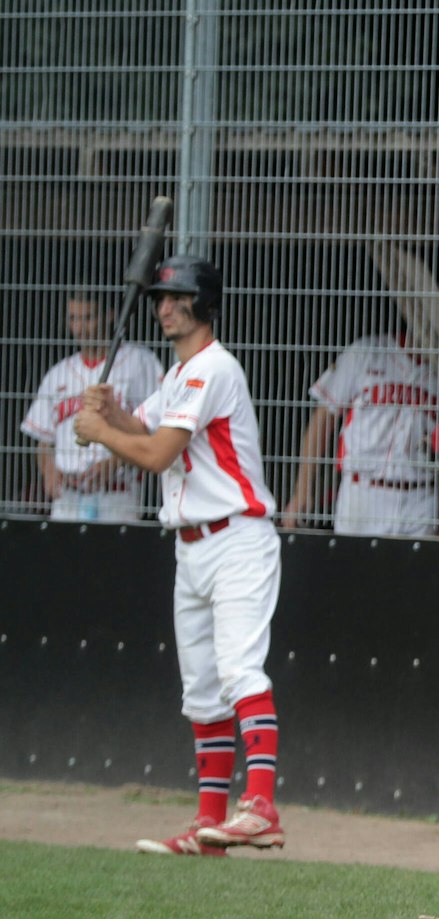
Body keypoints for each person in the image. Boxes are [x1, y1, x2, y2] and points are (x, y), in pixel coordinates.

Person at [71, 257, 287, 856]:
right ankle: (209, 825)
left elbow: (157, 453)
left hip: (237, 538)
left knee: (240, 669)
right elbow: (135, 426)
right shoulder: (178, 375)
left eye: (176, 297)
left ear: (203, 304)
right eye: (161, 296)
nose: (163, 306)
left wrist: (101, 430)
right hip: (191, 545)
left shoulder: (212, 368)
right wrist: (108, 410)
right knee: (202, 689)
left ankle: (262, 807)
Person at [281, 322, 439, 536]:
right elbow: (322, 422)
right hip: (363, 492)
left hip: (421, 497)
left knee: (417, 570)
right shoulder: (366, 352)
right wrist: (302, 491)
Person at [22, 291, 161, 525]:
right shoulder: (58, 374)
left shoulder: (140, 362)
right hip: (67, 499)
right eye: (74, 319)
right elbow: (43, 440)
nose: (80, 328)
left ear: (109, 316)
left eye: (88, 318)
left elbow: (156, 430)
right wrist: (49, 471)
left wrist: (115, 461)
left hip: (118, 495)